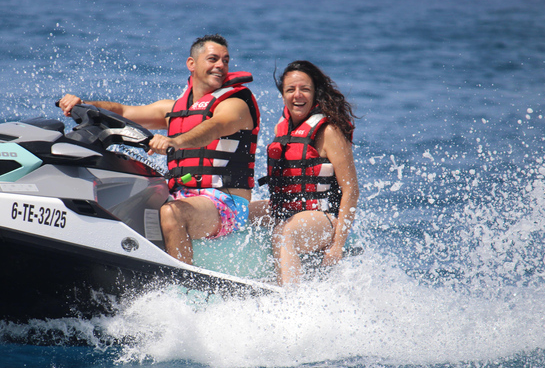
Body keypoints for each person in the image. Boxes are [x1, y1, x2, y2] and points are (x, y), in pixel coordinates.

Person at [57, 34, 260, 264]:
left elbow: (214, 127)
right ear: (191, 64)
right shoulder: (175, 108)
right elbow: (122, 111)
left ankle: (184, 289)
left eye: (225, 60)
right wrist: (84, 104)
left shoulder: (236, 104)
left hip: (227, 202)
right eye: (213, 59)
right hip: (183, 194)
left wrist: (175, 141)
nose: (221, 66)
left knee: (172, 213)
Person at [250, 60, 358, 285]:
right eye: (290, 90)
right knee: (237, 214)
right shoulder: (283, 128)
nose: (297, 95)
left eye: (304, 89)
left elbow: (351, 190)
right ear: (283, 95)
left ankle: (290, 298)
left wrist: (337, 245)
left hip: (324, 217)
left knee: (284, 232)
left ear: (315, 93)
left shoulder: (329, 132)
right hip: (286, 210)